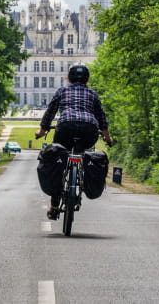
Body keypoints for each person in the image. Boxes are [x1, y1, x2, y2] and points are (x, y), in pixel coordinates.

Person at [35, 64, 113, 220]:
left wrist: (42, 131)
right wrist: (107, 137)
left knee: (59, 159)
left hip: (66, 127)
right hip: (89, 129)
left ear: (68, 78)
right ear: (87, 79)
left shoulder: (62, 91)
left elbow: (50, 113)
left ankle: (55, 206)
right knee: (84, 154)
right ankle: (83, 179)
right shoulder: (92, 93)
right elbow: (102, 118)